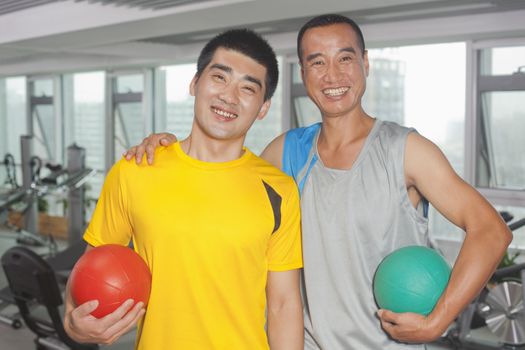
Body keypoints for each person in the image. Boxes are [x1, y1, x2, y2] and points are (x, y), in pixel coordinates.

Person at [124, 14, 512, 350]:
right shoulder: (287, 152)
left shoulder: (405, 150)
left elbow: (490, 230)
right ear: (304, 74)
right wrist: (169, 148)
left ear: (365, 63)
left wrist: (438, 319)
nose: (333, 76)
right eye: (317, 63)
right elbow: (219, 180)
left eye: (345, 59)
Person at [63, 29, 304, 350]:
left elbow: (284, 304)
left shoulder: (279, 189)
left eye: (248, 88)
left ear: (263, 107)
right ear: (195, 84)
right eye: (219, 78)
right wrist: (72, 322)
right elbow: (90, 268)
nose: (229, 97)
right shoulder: (135, 169)